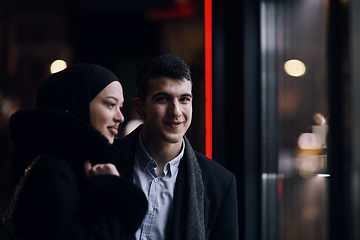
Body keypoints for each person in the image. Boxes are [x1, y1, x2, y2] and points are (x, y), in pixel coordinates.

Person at [8, 63, 147, 240]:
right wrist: (110, 188)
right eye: (111, 104)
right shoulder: (52, 170)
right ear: (77, 102)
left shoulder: (80, 165)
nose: (120, 117)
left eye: (120, 106)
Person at [117, 54, 238, 240]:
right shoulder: (105, 159)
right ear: (141, 108)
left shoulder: (219, 183)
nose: (176, 112)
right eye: (163, 99)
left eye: (184, 99)